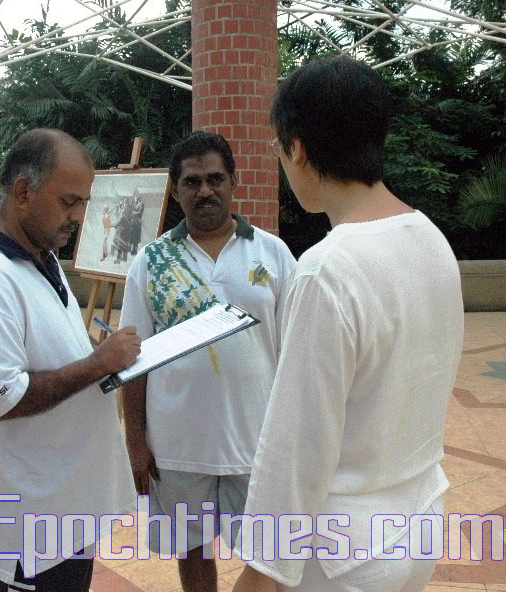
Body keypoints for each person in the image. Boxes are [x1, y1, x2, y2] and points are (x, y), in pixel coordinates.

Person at [233, 56, 464, 592]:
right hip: (419, 519)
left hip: (345, 553)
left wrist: (260, 572)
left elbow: (298, 444)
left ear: (297, 148)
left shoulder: (327, 269)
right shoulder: (430, 238)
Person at [0, 128, 140, 591]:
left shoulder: (39, 257)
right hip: (29, 531)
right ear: (22, 193)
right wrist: (97, 363)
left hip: (64, 514)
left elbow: (49, 352)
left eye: (84, 203)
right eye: (69, 202)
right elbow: (3, 399)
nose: (79, 217)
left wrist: (97, 356)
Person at [119, 131, 296, 592]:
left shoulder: (273, 253)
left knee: (267, 555)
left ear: (233, 182)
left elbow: (299, 351)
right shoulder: (152, 261)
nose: (205, 191)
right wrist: (135, 440)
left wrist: (295, 435)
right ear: (175, 190)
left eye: (215, 179)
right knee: (192, 552)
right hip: (176, 446)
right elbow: (132, 359)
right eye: (192, 182)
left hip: (256, 442)